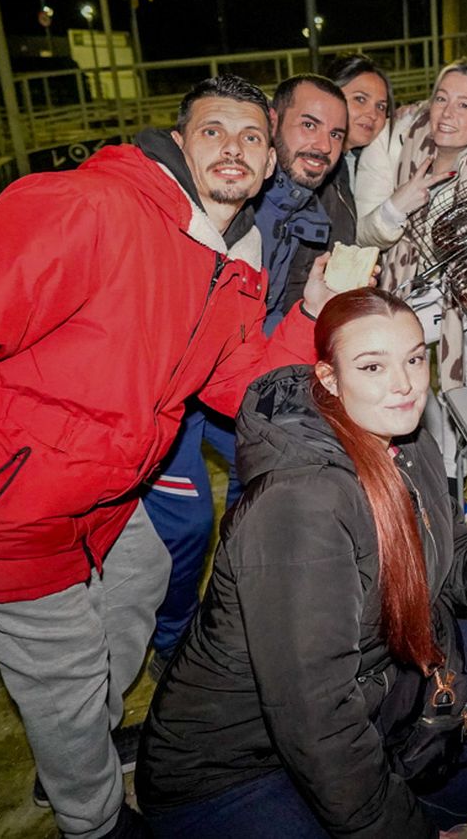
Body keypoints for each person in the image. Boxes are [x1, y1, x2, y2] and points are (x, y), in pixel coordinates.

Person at [0, 76, 328, 839]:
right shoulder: (88, 209)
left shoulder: (233, 261)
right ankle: (92, 818)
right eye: (213, 131)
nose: (232, 148)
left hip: (103, 503)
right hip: (1, 512)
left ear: (269, 164)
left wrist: (308, 314)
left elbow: (242, 386)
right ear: (180, 140)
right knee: (65, 678)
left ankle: (79, 748)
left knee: (139, 578)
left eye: (250, 138)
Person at [138, 289, 467, 838]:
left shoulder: (403, 441)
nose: (406, 384)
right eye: (373, 366)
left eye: (415, 358)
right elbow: (318, 721)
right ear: (327, 378)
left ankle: (426, 811)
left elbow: (441, 563)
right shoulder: (299, 508)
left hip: (372, 681)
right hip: (234, 768)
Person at [141, 74, 351, 676]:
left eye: (335, 134)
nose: (323, 144)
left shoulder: (315, 204)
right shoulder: (210, 201)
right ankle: (174, 644)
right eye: (306, 125)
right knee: (186, 524)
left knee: (264, 491)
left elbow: (254, 330)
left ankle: (230, 620)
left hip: (234, 371)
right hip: (161, 397)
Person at [358, 59, 467, 476]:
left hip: (462, 304)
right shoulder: (396, 140)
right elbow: (363, 233)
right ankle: (403, 475)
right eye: (441, 99)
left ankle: (453, 486)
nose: (447, 113)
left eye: (465, 106)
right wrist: (398, 204)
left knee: (459, 396)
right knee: (405, 388)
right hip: (397, 291)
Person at [325, 53, 394, 193]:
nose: (373, 115)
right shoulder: (308, 164)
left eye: (380, 107)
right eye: (360, 99)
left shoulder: (366, 161)